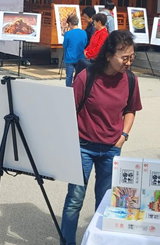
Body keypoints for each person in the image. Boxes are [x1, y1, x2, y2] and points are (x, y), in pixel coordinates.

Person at [61, 30, 142, 245]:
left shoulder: (131, 80)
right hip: (83, 147)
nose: (129, 62)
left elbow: (131, 110)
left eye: (132, 57)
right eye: (124, 57)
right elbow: (69, 109)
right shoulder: (86, 77)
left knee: (105, 201)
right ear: (108, 55)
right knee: (75, 200)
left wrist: (123, 135)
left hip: (111, 148)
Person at [62, 14, 87, 87]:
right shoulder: (83, 32)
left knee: (69, 76)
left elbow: (64, 45)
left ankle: (68, 90)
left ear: (69, 23)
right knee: (80, 76)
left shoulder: (68, 34)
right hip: (80, 57)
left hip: (69, 58)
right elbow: (85, 44)